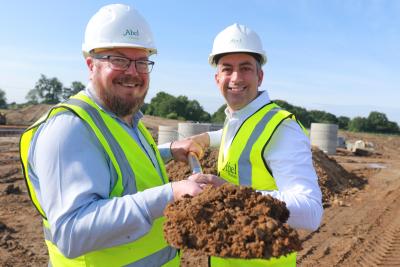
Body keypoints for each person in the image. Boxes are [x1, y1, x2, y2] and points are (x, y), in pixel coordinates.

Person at [19, 4, 214, 266]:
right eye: (119, 60)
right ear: (91, 65)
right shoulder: (69, 129)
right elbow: (71, 233)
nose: (133, 72)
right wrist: (169, 195)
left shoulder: (129, 120)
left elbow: (119, 165)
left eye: (142, 61)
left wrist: (168, 151)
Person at [189, 23, 324, 266]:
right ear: (216, 77)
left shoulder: (282, 129)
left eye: (246, 68)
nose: (236, 78)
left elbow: (311, 211)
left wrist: (231, 196)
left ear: (260, 76)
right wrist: (205, 138)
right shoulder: (239, 117)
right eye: (227, 69)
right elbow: (235, 135)